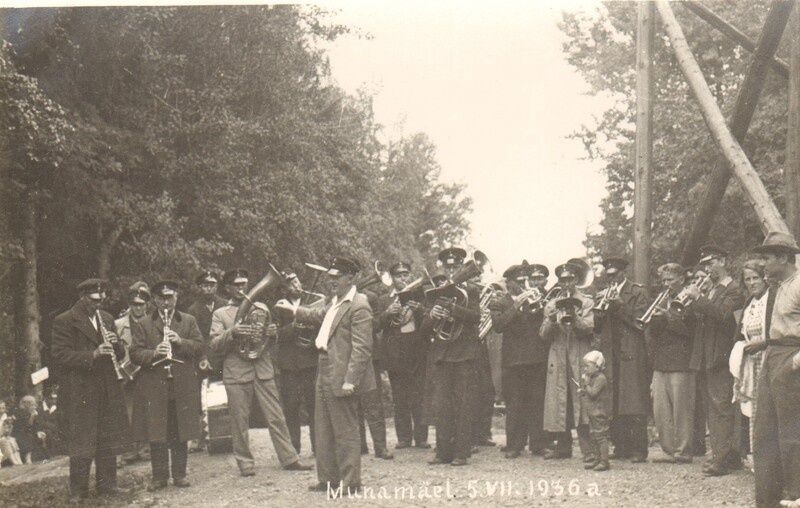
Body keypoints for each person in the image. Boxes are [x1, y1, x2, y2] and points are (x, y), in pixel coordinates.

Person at [278, 256, 375, 493]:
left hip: (341, 372)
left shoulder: (359, 304)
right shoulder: (336, 301)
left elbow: (362, 348)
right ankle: (329, 479)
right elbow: (316, 316)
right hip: (324, 365)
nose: (331, 281)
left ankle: (350, 482)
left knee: (345, 430)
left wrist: (351, 379)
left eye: (336, 277)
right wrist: (293, 310)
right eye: (330, 277)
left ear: (350, 278)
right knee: (324, 428)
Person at [210, 269, 311, 477]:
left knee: (276, 416)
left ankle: (290, 458)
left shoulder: (262, 307)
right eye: (236, 285)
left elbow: (269, 337)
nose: (241, 288)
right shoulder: (220, 314)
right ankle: (245, 463)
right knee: (240, 420)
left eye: (244, 284)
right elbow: (214, 344)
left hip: (262, 368)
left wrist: (272, 334)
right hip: (237, 372)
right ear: (227, 288)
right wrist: (232, 333)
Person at [51, 279, 130, 500]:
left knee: (107, 437)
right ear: (83, 297)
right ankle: (78, 491)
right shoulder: (65, 320)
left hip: (106, 387)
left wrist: (116, 345)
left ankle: (108, 486)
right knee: (82, 440)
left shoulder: (106, 319)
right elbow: (59, 355)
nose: (99, 304)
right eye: (95, 300)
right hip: (80, 390)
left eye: (101, 300)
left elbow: (121, 355)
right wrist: (92, 355)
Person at [130, 280, 205, 491]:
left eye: (170, 297)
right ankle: (159, 477)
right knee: (157, 432)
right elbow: (134, 353)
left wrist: (180, 341)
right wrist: (154, 353)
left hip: (181, 385)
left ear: (176, 297)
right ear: (155, 300)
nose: (166, 302)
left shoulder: (188, 321)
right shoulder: (144, 323)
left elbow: (200, 347)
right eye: (162, 298)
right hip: (155, 385)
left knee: (180, 431)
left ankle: (179, 475)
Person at [686, 245, 745, 476]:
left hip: (720, 356)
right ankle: (724, 455)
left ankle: (722, 459)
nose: (707, 269)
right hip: (705, 357)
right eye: (705, 265)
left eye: (710, 263)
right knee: (713, 409)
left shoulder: (734, 290)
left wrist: (698, 298)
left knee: (721, 408)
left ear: (721, 261)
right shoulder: (712, 289)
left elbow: (723, 316)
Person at [752, 232, 800, 507]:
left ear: (783, 257)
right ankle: (767, 501)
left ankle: (796, 496)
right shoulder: (779, 286)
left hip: (791, 360)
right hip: (773, 357)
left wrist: (793, 364)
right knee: (764, 433)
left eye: (767, 258)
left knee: (792, 434)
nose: (763, 264)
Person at [423, 247, 481, 467]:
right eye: (448, 267)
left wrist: (453, 308)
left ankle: (461, 453)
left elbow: (476, 317)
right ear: (443, 268)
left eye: (456, 266)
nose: (452, 269)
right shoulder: (436, 291)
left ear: (462, 267)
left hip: (465, 354)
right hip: (442, 355)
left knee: (464, 405)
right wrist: (432, 315)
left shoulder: (472, 290)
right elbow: (424, 328)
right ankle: (442, 452)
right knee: (441, 405)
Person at [592, 257, 650, 463]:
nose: (612, 279)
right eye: (609, 276)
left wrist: (619, 305)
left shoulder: (637, 292)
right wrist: (598, 310)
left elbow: (641, 321)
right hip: (611, 352)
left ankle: (639, 449)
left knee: (634, 402)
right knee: (614, 402)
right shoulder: (605, 294)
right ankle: (621, 446)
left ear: (624, 273)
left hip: (631, 352)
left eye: (615, 275)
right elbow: (597, 327)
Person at [490, 262, 550, 458]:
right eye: (519, 281)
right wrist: (516, 305)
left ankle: (538, 444)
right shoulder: (500, 302)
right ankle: (515, 445)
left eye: (525, 280)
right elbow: (498, 325)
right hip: (513, 361)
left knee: (536, 402)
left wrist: (538, 303)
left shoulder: (536, 298)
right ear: (509, 283)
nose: (524, 284)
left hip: (535, 359)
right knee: (515, 404)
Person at [540, 262, 594, 461]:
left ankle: (588, 450)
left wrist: (575, 317)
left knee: (581, 401)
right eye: (563, 280)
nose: (566, 283)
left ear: (576, 280)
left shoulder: (586, 302)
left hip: (579, 355)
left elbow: (589, 327)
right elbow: (543, 335)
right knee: (560, 402)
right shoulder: (552, 304)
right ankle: (563, 447)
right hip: (558, 356)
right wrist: (552, 320)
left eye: (570, 279)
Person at [372, 262, 429, 450]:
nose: (403, 279)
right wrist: (388, 313)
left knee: (419, 394)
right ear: (392, 278)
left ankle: (421, 438)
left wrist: (419, 309)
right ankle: (404, 438)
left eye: (406, 275)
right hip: (395, 352)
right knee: (400, 396)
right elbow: (376, 326)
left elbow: (429, 322)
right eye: (399, 275)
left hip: (417, 349)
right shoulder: (383, 300)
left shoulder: (421, 296)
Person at [648, 263, 696, 464]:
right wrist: (655, 320)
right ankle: (668, 450)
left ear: (681, 280)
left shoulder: (690, 299)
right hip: (661, 362)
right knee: (661, 409)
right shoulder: (663, 299)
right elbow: (654, 333)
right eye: (664, 280)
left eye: (670, 280)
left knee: (681, 409)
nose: (666, 284)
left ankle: (683, 451)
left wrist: (669, 317)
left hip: (681, 361)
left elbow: (691, 331)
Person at [730, 259, 772, 465]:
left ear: (765, 277)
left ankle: (771, 461)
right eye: (747, 279)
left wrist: (763, 344)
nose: (752, 282)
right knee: (753, 411)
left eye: (756, 277)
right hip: (751, 363)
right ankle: (757, 458)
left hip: (769, 358)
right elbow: (740, 333)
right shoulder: (749, 303)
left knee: (768, 410)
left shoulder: (772, 299)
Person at [274, 271, 320, 455]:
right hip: (289, 366)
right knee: (291, 408)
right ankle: (294, 450)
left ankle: (319, 448)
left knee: (315, 407)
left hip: (310, 362)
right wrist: (294, 327)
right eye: (292, 284)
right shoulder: (278, 308)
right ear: (285, 289)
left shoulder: (312, 306)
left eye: (298, 282)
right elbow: (275, 336)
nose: (297, 286)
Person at [185, 271, 226, 453]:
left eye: (212, 285)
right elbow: (195, 337)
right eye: (205, 285)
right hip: (201, 359)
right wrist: (202, 357)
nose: (208, 288)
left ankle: (227, 433)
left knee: (226, 394)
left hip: (223, 357)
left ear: (216, 286)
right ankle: (199, 438)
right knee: (200, 398)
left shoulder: (225, 304)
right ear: (200, 287)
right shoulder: (193, 310)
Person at [115, 282, 151, 464]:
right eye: (134, 304)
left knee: (146, 411)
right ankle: (128, 451)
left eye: (141, 304)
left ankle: (145, 449)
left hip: (145, 372)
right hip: (125, 374)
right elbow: (114, 350)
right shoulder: (119, 324)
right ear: (129, 304)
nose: (138, 308)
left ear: (147, 305)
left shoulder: (152, 322)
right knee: (127, 413)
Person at [579, 350, 610, 471]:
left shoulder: (601, 378)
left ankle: (604, 461)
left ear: (597, 367)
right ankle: (597, 459)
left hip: (599, 413)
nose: (585, 369)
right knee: (593, 436)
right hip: (592, 413)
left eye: (587, 366)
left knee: (601, 436)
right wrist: (583, 390)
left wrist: (586, 385)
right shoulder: (593, 378)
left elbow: (593, 393)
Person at [12, 395, 46, 464]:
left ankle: (43, 456)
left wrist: (38, 431)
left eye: (34, 405)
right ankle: (28, 458)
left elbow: (36, 426)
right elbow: (24, 427)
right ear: (27, 405)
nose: (34, 407)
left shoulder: (32, 412)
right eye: (32, 405)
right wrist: (32, 416)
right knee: (28, 436)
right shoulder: (20, 412)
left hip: (27, 432)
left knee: (42, 434)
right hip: (18, 433)